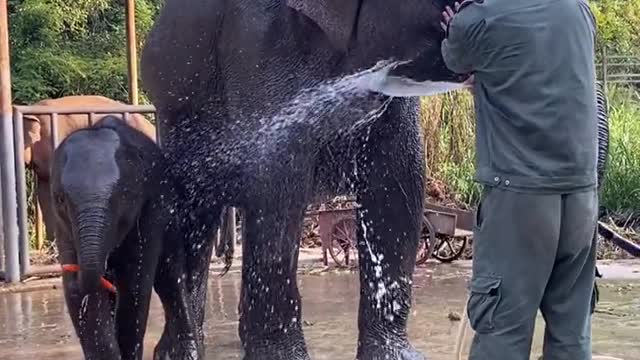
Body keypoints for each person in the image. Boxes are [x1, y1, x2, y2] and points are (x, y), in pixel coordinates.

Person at [439, 1, 599, 359]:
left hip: (519, 199)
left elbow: (453, 60)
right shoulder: (578, 10)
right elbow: (538, 69)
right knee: (572, 337)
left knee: (503, 335)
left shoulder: (479, 19)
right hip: (581, 199)